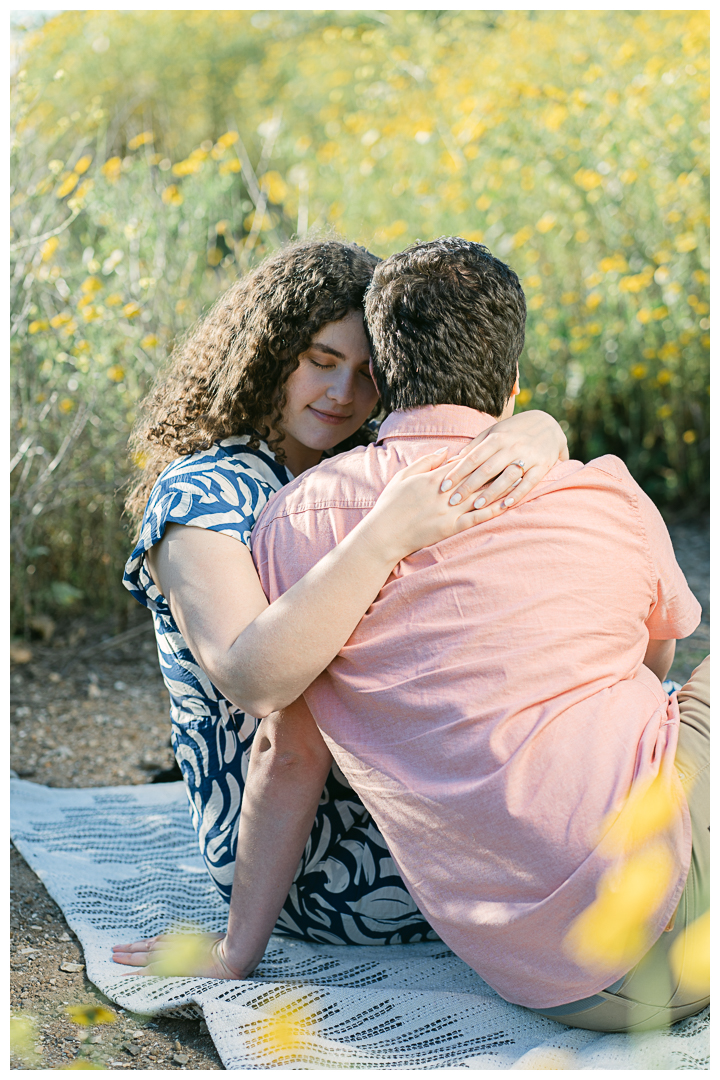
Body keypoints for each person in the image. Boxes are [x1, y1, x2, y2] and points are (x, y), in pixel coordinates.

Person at [249, 237, 708, 1032]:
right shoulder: (602, 494)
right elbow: (651, 665)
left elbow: (287, 754)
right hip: (680, 895)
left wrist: (235, 953)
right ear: (514, 380)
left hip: (565, 989)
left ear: (382, 380)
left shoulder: (296, 520)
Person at [113, 238, 569, 974]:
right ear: (267, 352)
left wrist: (536, 428)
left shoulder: (361, 469)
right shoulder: (202, 496)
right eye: (320, 361)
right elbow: (255, 680)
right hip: (309, 863)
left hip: (411, 799)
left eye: (367, 374)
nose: (342, 394)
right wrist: (387, 533)